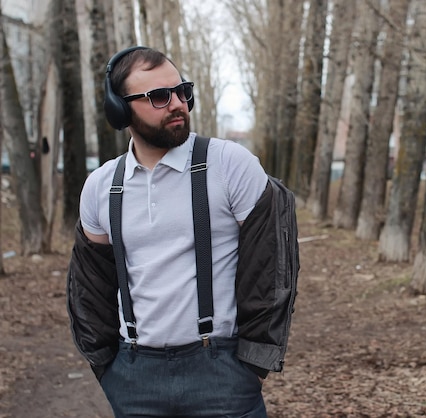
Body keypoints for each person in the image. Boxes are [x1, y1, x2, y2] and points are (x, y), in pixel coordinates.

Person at [66, 46, 298, 417]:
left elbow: (272, 266)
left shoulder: (229, 164)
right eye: (159, 96)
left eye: (181, 91)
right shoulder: (101, 186)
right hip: (133, 375)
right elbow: (90, 284)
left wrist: (253, 365)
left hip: (222, 372)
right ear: (120, 109)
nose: (177, 104)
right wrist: (106, 367)